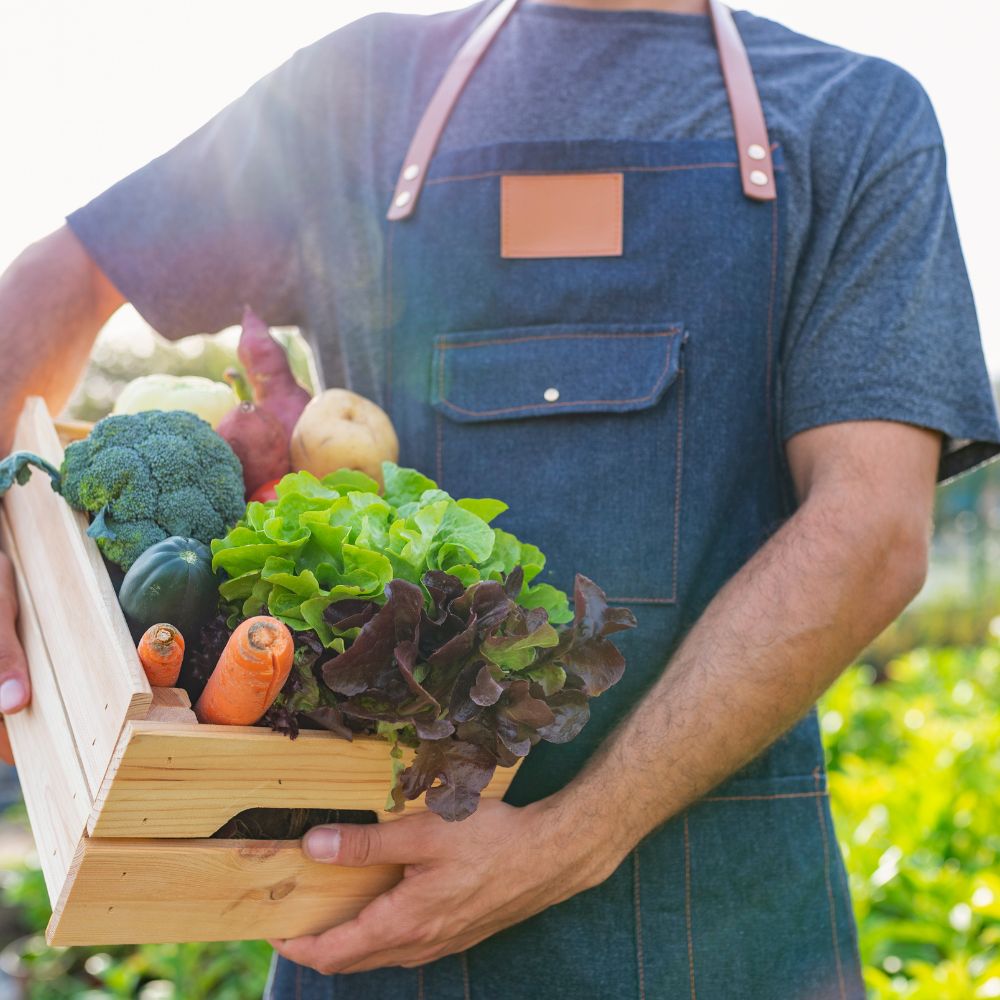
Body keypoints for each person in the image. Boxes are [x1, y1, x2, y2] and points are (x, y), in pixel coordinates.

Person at [1, 0, 997, 996]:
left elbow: (871, 526)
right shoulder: (354, 93)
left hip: (727, 921)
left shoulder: (850, 117)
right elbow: (63, 274)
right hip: (375, 918)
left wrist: (571, 839)